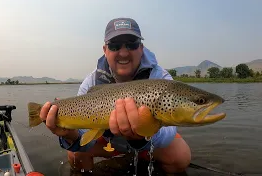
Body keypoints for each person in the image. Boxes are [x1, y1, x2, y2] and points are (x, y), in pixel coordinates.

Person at [40, 17, 191, 173]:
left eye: (132, 44)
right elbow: (84, 133)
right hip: (107, 141)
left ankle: (141, 158)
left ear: (141, 48)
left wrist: (141, 136)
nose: (124, 53)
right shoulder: (92, 81)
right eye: (115, 45)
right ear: (105, 50)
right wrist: (71, 135)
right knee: (75, 155)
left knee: (180, 157)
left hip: (147, 142)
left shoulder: (160, 77)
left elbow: (169, 131)